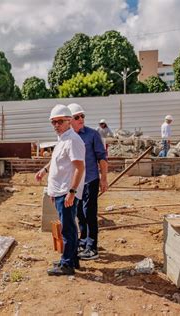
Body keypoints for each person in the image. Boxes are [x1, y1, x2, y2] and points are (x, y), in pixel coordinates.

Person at [35, 104, 85, 276]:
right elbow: (58, 163)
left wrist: (71, 192)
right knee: (68, 227)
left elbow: (79, 167)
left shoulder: (73, 141)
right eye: (53, 122)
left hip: (66, 192)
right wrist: (45, 171)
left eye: (60, 121)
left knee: (68, 229)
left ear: (69, 121)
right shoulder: (62, 139)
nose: (56, 125)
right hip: (59, 192)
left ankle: (67, 264)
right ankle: (72, 259)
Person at [68, 103, 108, 260]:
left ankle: (92, 247)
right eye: (77, 117)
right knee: (79, 213)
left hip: (90, 179)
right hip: (76, 183)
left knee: (89, 213)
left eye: (82, 116)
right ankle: (84, 242)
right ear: (69, 120)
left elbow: (102, 158)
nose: (81, 119)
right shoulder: (68, 137)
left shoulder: (92, 135)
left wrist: (103, 179)